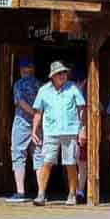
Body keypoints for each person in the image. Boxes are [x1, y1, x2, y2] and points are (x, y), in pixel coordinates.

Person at [31, 61, 86, 206]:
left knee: (70, 163)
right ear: (52, 76)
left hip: (70, 131)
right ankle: (41, 194)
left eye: (64, 72)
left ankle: (72, 194)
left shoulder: (73, 87)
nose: (63, 75)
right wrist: (34, 130)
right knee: (46, 162)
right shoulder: (43, 90)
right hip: (51, 131)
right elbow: (38, 112)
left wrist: (82, 130)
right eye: (59, 73)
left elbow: (82, 109)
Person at [7, 57, 43, 203]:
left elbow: (20, 102)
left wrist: (32, 113)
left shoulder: (19, 84)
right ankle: (42, 191)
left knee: (18, 154)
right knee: (39, 155)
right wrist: (37, 116)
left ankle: (20, 192)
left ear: (22, 70)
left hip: (22, 122)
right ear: (32, 69)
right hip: (38, 124)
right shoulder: (40, 85)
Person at [72, 67, 89, 203]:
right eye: (76, 81)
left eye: (81, 80)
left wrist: (83, 129)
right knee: (70, 162)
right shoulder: (69, 93)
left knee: (82, 163)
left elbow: (98, 110)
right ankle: (73, 190)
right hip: (69, 133)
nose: (79, 83)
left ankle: (80, 191)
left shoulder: (90, 94)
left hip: (83, 133)